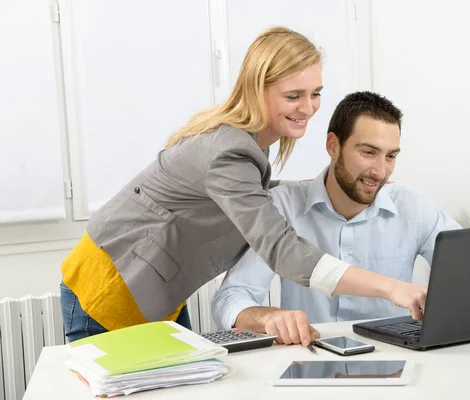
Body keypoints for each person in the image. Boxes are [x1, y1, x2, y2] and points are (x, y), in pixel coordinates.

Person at [59, 27, 429, 343]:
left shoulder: (246, 145)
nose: (308, 108)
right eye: (293, 96)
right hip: (110, 289)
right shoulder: (228, 150)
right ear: (257, 90)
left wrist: (296, 186)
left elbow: (233, 192)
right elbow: (283, 251)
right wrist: (393, 287)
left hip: (154, 288)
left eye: (315, 93)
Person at [211, 91, 470, 346]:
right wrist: (266, 318)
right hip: (315, 358)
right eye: (368, 152)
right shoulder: (281, 207)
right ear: (332, 146)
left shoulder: (414, 208)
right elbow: (231, 298)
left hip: (402, 362)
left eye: (391, 156)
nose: (380, 170)